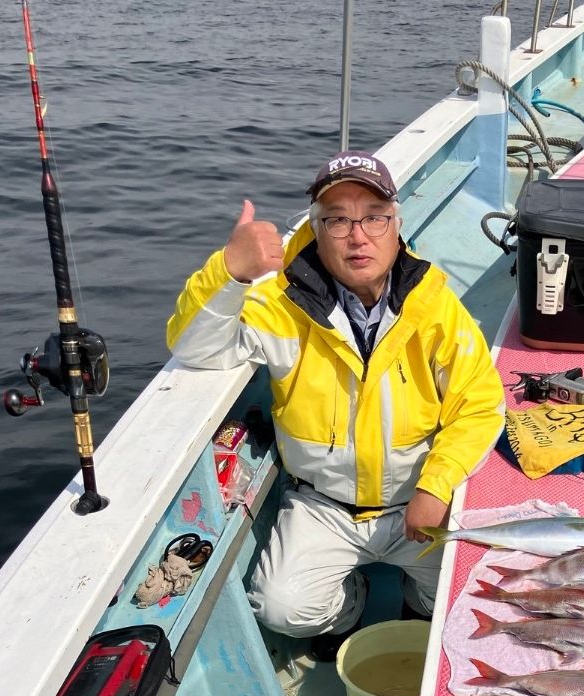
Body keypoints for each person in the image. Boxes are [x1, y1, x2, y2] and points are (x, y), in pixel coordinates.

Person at [167, 151, 505, 659]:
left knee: (472, 595)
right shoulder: (277, 305)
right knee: (281, 607)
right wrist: (230, 271)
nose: (358, 234)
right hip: (321, 505)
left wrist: (437, 485)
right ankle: (349, 608)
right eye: (338, 220)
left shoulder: (436, 307)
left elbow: (480, 406)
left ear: (396, 225)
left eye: (373, 216)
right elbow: (195, 349)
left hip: (419, 503)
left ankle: (419, 602)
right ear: (316, 230)